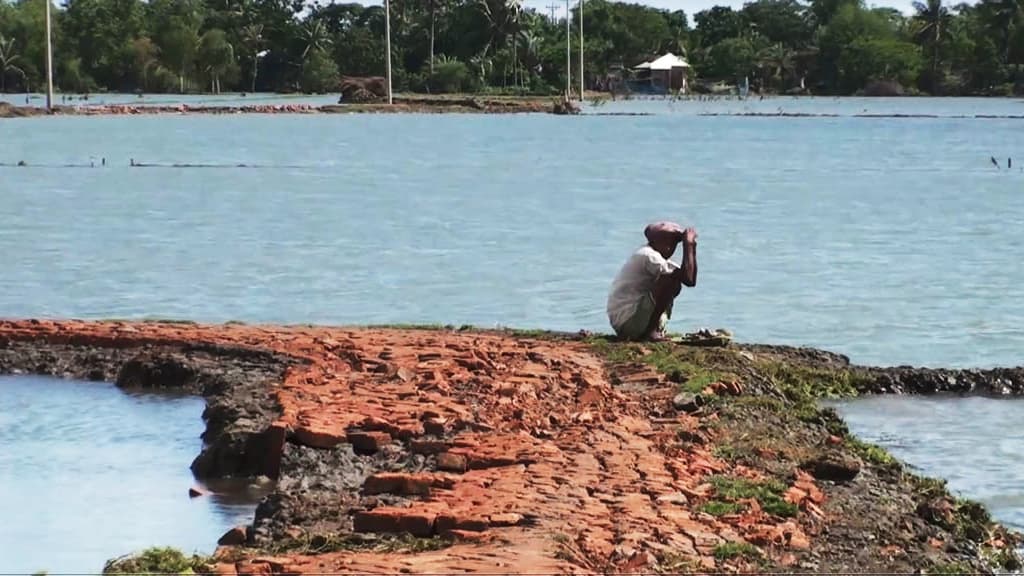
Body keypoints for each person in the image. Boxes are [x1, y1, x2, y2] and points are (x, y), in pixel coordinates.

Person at [606, 221, 698, 341]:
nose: (672, 247)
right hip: (628, 322)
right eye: (670, 241)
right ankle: (650, 332)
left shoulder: (659, 259)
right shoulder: (648, 255)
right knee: (669, 282)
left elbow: (689, 278)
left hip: (632, 320)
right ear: (657, 241)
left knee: (674, 281)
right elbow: (688, 279)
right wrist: (688, 245)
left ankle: (652, 330)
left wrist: (691, 248)